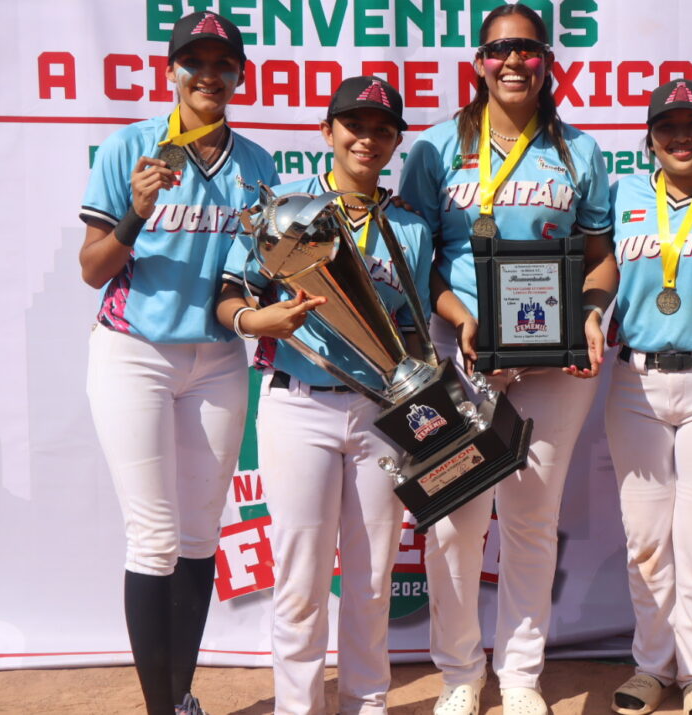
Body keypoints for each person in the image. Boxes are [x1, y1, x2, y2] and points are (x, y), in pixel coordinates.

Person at [396, 5, 614, 714]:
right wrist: (459, 320)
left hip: (552, 363)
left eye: (527, 49)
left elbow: (599, 256)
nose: (513, 61)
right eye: (499, 50)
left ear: (547, 60)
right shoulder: (434, 149)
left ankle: (520, 673)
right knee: (455, 518)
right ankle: (461, 671)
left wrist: (587, 312)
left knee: (530, 517)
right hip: (458, 355)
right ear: (479, 62)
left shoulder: (581, 152)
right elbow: (415, 259)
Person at [76, 12, 278, 715]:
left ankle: (181, 695)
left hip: (219, 357)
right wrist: (133, 213)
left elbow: (249, 272)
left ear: (238, 77)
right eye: (195, 61)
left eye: (224, 64)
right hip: (133, 352)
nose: (210, 74)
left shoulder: (255, 164)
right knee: (155, 535)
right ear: (171, 73)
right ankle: (160, 709)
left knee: (199, 534)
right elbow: (91, 268)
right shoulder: (132, 147)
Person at [216, 76, 431, 715]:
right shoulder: (286, 212)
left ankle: (367, 702)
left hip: (379, 412)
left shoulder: (410, 230)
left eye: (382, 129)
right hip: (298, 399)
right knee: (301, 577)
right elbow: (230, 294)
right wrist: (257, 323)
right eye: (354, 125)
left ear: (395, 142)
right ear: (327, 131)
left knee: (370, 579)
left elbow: (413, 328)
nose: (367, 138)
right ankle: (298, 707)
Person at [574, 79, 692, 715]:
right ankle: (652, 665)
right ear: (649, 137)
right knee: (648, 539)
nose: (682, 136)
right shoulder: (622, 195)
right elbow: (594, 268)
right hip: (634, 381)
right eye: (668, 125)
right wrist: (590, 315)